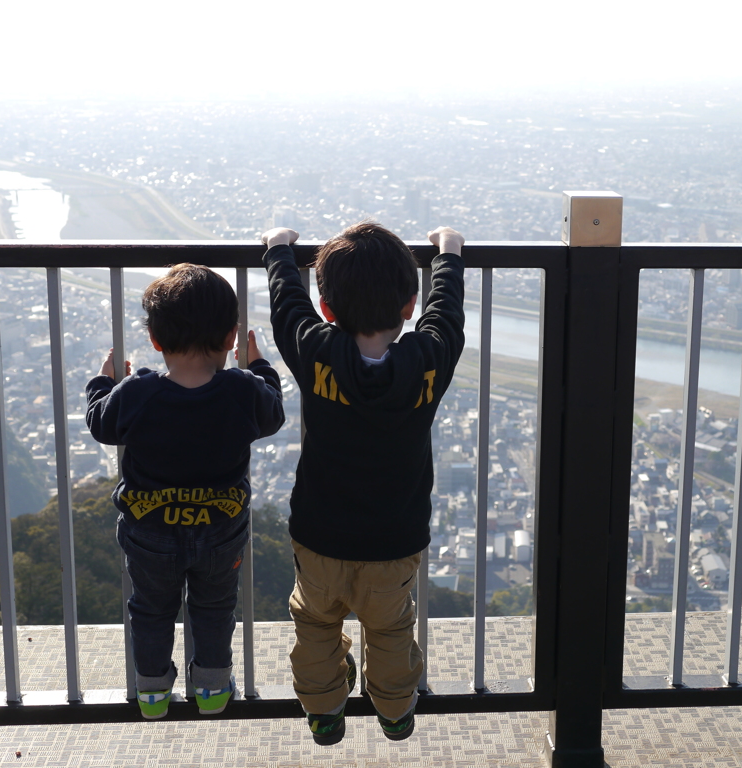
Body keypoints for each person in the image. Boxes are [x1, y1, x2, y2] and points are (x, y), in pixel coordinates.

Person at [260, 221, 465, 744]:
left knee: (315, 624)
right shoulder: (428, 359)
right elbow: (446, 315)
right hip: (394, 541)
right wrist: (449, 254)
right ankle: (395, 710)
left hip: (320, 532)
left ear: (327, 308)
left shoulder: (317, 351)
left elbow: (288, 308)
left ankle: (325, 711)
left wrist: (280, 251)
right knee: (392, 629)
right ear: (407, 306)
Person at [85, 263, 285, 720]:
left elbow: (101, 423)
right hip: (220, 531)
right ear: (230, 336)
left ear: (155, 339)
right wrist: (256, 366)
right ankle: (212, 689)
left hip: (149, 533)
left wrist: (104, 381)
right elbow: (272, 413)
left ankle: (152, 691)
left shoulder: (136, 394)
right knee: (214, 608)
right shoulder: (240, 391)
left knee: (150, 609)